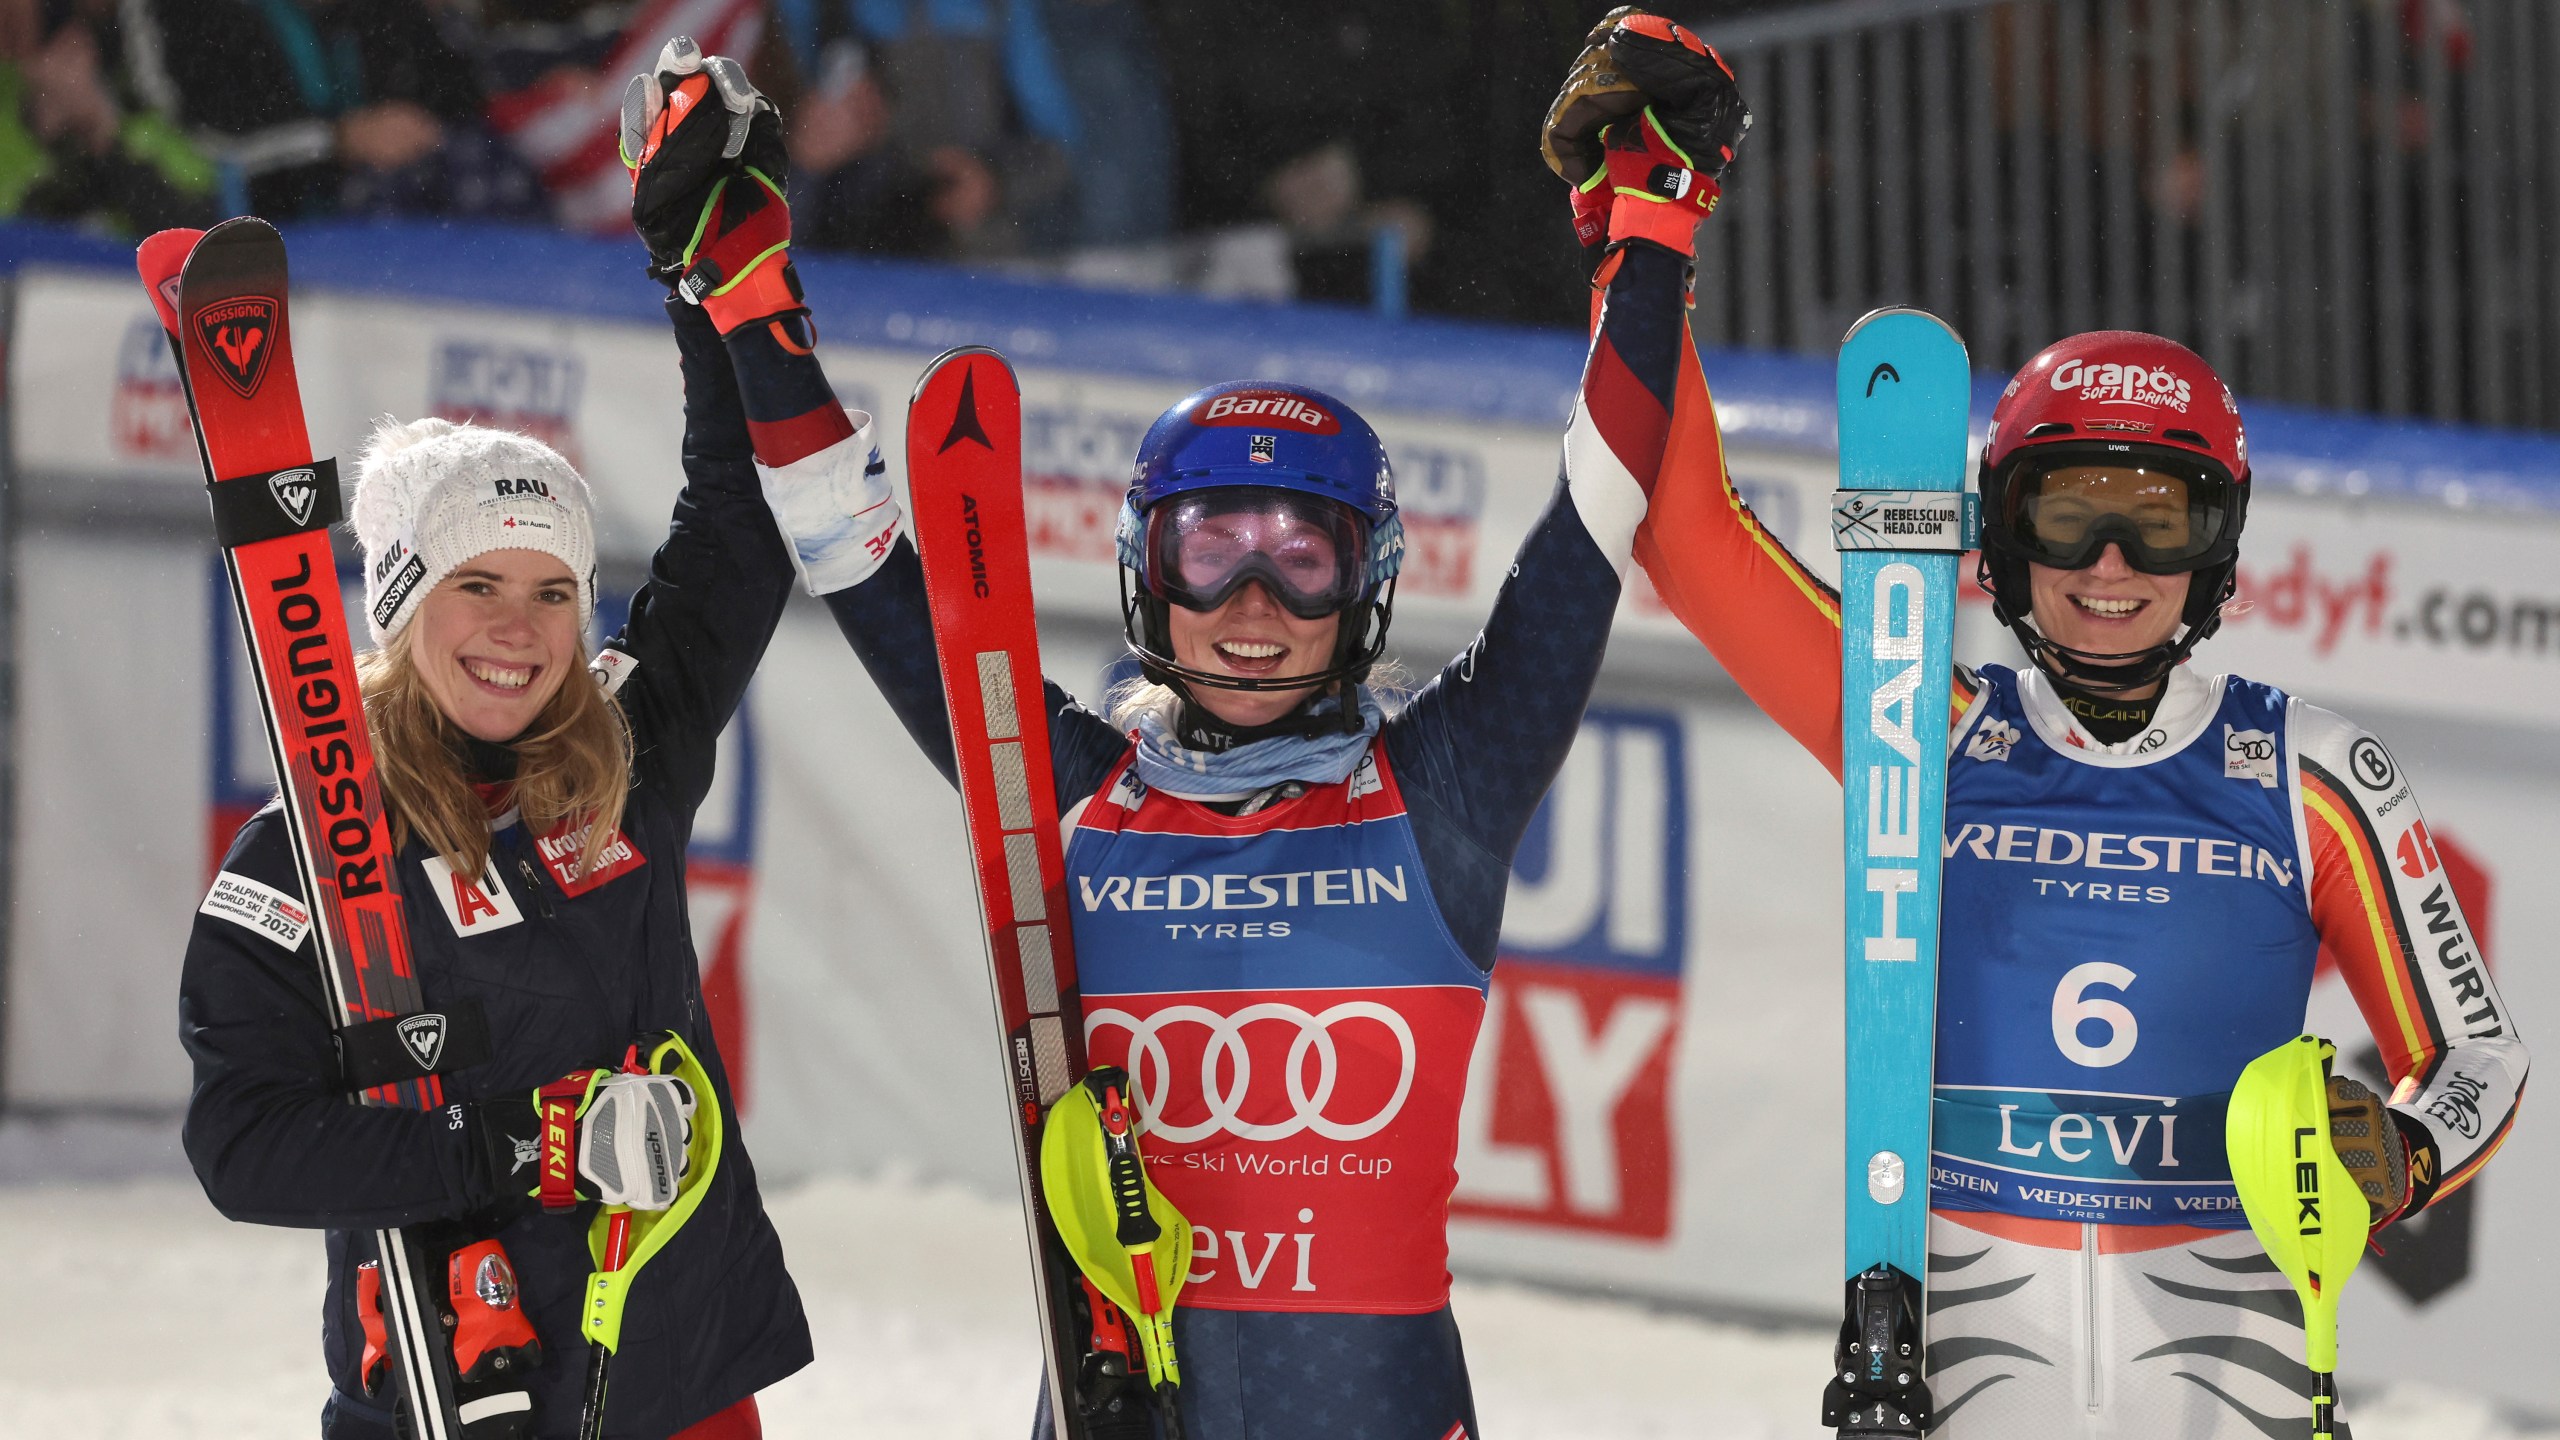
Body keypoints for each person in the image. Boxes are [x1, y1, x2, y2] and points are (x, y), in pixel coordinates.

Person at [729, 20, 1746, 1438]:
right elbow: (856, 561)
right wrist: (743, 297)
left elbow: (1595, 516)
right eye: (1212, 549)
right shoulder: (1065, 792)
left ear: (1370, 585)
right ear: (1152, 575)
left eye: (1304, 556)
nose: (1253, 603)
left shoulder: (1446, 784)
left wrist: (1651, 229)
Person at [1569, 14, 2531, 1434]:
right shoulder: (1917, 728)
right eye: (2064, 513)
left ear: (2220, 549)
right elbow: (1689, 537)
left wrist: (2397, 1148)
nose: (2108, 568)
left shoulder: (2308, 769)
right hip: (1967, 1347)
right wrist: (1643, 231)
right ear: (1998, 544)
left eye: (2159, 522)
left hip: (2230, 1351)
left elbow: (2479, 1058)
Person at [178, 39, 844, 1439]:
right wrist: (521, 1146)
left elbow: (738, 524)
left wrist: (702, 280)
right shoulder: (306, 843)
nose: (520, 627)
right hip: (451, 1383)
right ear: (402, 607)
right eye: (476, 584)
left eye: (552, 590)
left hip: (674, 1371)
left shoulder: (624, 744)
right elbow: (244, 1145)